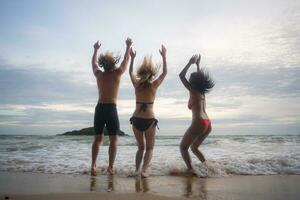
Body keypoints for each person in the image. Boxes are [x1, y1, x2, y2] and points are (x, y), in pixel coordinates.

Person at [91, 38, 132, 176]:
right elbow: (126, 61)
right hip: (110, 109)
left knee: (98, 138)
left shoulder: (99, 75)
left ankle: (93, 166)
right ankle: (110, 167)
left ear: (104, 64)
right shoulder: (117, 74)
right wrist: (128, 47)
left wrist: (95, 49)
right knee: (114, 140)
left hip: (100, 108)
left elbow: (93, 64)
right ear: (112, 64)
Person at [129, 45, 167, 178]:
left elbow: (130, 73)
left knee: (140, 148)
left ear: (141, 73)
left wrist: (132, 58)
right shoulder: (154, 85)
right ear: (151, 74)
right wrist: (164, 56)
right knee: (150, 148)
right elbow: (164, 73)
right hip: (149, 120)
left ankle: (136, 170)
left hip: (136, 119)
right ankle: (143, 171)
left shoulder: (137, 85)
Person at [179, 54, 215, 175]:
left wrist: (190, 63)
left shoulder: (193, 90)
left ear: (193, 82)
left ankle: (191, 170)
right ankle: (208, 168)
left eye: (190, 79)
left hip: (199, 122)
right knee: (194, 148)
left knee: (183, 148)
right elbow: (200, 79)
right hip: (207, 123)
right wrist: (198, 65)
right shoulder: (202, 91)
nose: (188, 80)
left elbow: (181, 76)